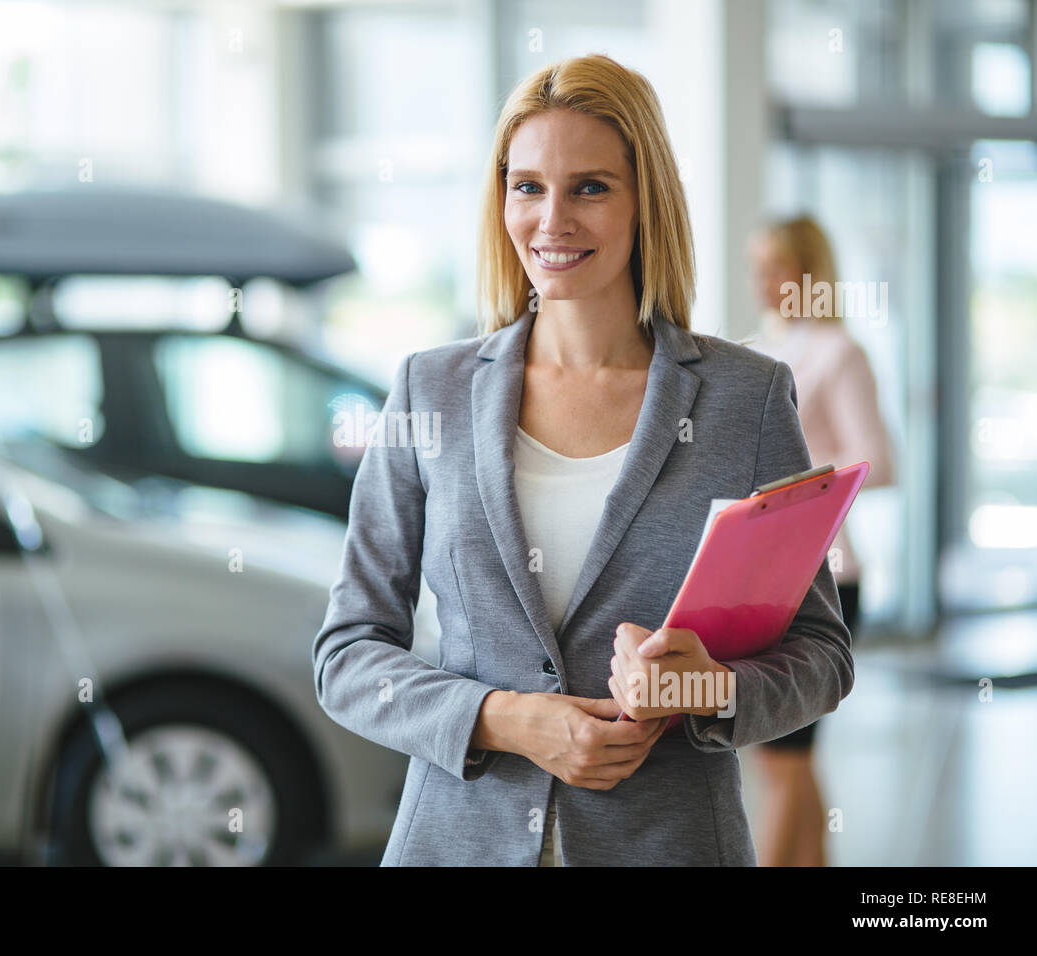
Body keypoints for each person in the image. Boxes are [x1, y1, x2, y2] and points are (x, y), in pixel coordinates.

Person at [312, 54, 854, 866]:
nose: (552, 220)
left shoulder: (745, 398)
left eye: (590, 187)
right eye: (527, 186)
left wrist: (708, 688)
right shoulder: (432, 389)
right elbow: (348, 653)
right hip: (455, 844)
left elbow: (822, 654)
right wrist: (503, 717)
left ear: (646, 203)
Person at [746, 215, 894, 866]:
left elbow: (880, 462)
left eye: (776, 267)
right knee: (787, 760)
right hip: (764, 577)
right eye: (757, 268)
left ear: (809, 273)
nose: (764, 282)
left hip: (829, 578)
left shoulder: (840, 352)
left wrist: (797, 482)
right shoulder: (756, 348)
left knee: (784, 761)